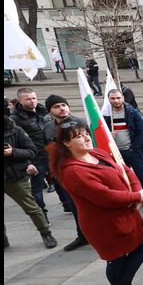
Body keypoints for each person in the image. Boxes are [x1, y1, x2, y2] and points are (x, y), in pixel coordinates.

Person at [50, 122, 143, 285]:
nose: (87, 138)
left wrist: (138, 193)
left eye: (87, 133)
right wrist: (136, 197)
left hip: (126, 214)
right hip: (104, 224)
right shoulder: (72, 171)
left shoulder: (98, 152)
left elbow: (125, 170)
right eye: (79, 136)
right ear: (66, 143)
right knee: (117, 257)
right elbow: (105, 196)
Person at [41, 95, 88, 251]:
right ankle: (82, 235)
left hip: (82, 170)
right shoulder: (48, 128)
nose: (62, 108)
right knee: (73, 206)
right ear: (50, 111)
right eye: (57, 106)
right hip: (62, 172)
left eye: (64, 105)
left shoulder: (80, 123)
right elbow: (47, 150)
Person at [4, 113, 57, 249]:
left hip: (13, 176)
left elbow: (31, 151)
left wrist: (13, 152)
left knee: (31, 207)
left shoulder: (14, 130)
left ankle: (46, 233)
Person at [103, 89, 143, 205]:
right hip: (116, 153)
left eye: (118, 98)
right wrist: (108, 136)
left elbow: (142, 132)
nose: (116, 101)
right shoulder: (106, 115)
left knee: (142, 176)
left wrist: (133, 148)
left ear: (123, 98)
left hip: (132, 151)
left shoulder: (132, 112)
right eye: (113, 98)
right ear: (109, 100)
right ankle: (134, 200)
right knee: (123, 179)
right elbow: (100, 134)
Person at [10, 88, 56, 219]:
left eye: (34, 98)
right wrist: (28, 163)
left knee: (60, 183)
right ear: (20, 100)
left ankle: (67, 205)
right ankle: (43, 216)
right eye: (28, 99)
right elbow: (16, 142)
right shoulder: (15, 119)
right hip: (34, 158)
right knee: (37, 189)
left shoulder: (44, 112)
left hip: (52, 154)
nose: (33, 101)